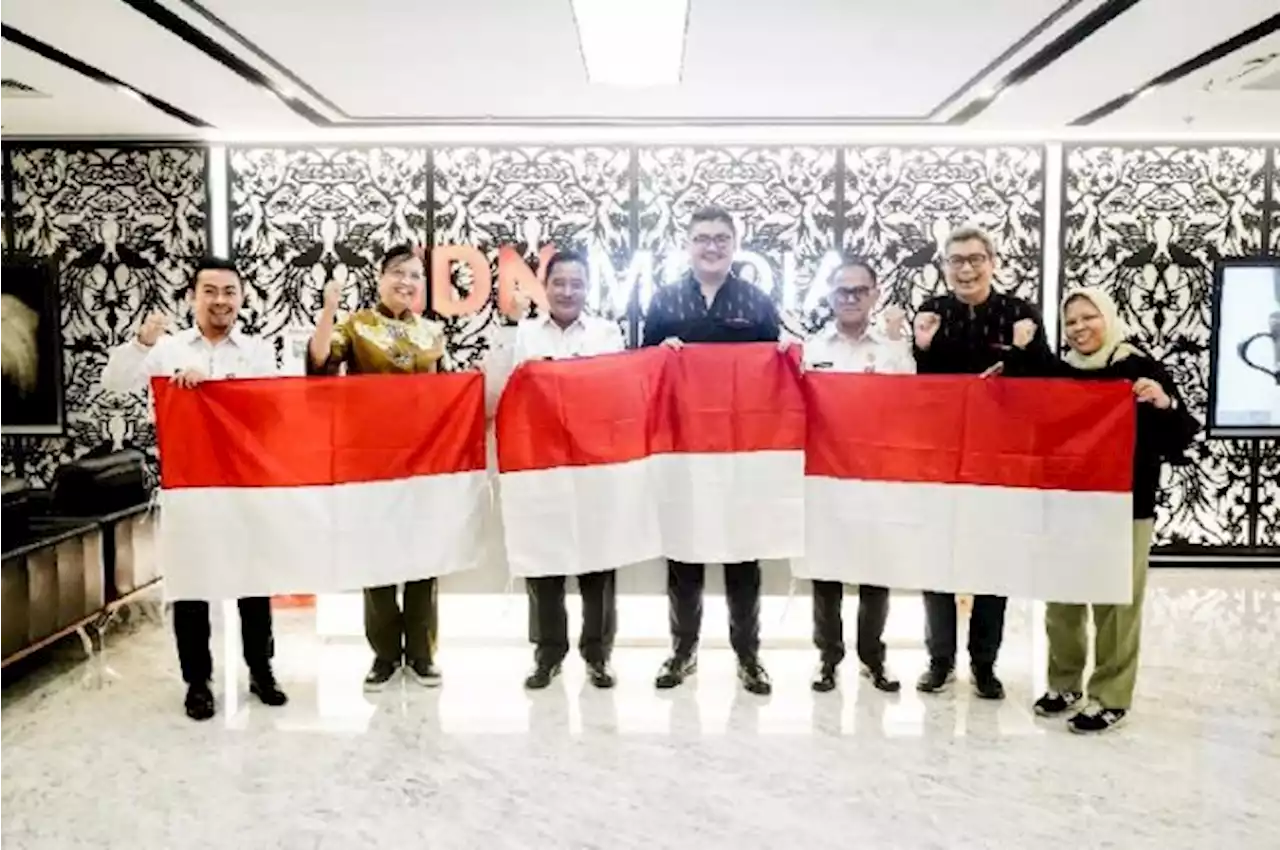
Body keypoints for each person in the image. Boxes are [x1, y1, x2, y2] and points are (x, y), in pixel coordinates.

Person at [1000, 287, 1197, 733]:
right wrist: (1016, 354)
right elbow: (1022, 409)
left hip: (1126, 505)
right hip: (1065, 501)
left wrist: (1162, 402)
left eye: (1089, 318)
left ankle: (1111, 695)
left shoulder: (1138, 367)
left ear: (1108, 318)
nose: (1080, 328)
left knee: (1116, 601)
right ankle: (1065, 683)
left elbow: (1181, 435)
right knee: (1063, 596)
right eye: (1071, 322)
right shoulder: (1058, 369)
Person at [100, 257, 287, 722]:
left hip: (246, 484)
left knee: (253, 581)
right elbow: (114, 384)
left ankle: (261, 670)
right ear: (193, 297)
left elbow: (270, 410)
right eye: (210, 291)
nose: (220, 300)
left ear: (241, 297)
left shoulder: (259, 351)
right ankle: (197, 681)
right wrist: (142, 342)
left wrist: (215, 385)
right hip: (188, 485)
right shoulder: (166, 349)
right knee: (191, 584)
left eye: (229, 291)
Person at [641, 205, 782, 696]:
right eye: (703, 238)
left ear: (736, 244)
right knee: (684, 556)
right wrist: (663, 357)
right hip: (682, 452)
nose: (712, 246)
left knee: (744, 557)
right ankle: (683, 651)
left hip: (740, 453)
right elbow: (645, 376)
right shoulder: (664, 301)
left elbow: (774, 380)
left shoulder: (758, 302)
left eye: (722, 238)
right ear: (688, 244)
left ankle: (749, 656)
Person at [911, 223, 1051, 700]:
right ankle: (940, 660)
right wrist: (921, 348)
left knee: (992, 560)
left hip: (999, 462)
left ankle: (985, 664)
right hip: (940, 458)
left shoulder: (1020, 313)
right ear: (945, 267)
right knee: (938, 560)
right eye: (956, 261)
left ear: (993, 262)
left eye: (976, 259)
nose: (966, 268)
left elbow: (1048, 383)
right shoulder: (931, 313)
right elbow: (916, 389)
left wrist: (1022, 357)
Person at [307, 244, 447, 692]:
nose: (406, 282)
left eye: (415, 275)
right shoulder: (357, 325)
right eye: (398, 273)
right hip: (370, 458)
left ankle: (422, 653)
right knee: (378, 557)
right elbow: (320, 364)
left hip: (424, 460)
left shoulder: (433, 333)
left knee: (424, 556)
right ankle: (385, 654)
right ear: (381, 278)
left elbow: (446, 394)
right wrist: (330, 308)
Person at [508, 249, 625, 691]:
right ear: (546, 285)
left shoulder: (606, 333)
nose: (567, 291)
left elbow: (615, 393)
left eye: (577, 283)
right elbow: (508, 390)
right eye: (559, 282)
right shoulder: (524, 334)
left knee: (598, 562)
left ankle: (597, 655)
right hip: (540, 463)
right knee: (544, 560)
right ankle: (547, 653)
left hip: (594, 464)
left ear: (587, 288)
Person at [801, 259, 912, 694]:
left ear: (874, 295)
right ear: (829, 295)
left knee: (874, 569)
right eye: (842, 290)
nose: (850, 298)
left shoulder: (893, 352)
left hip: (876, 478)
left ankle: (873, 656)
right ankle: (828, 657)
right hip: (825, 477)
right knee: (825, 570)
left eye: (859, 290)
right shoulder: (810, 350)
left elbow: (910, 411)